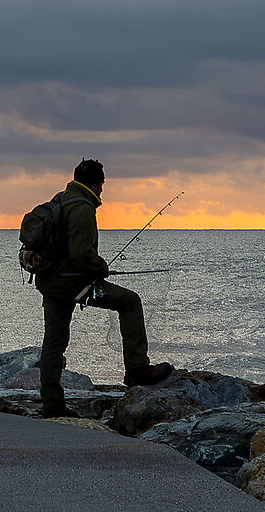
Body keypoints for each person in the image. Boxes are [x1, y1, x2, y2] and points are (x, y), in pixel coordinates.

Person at [33, 159, 173, 418]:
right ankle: (137, 369)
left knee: (54, 342)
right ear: (96, 183)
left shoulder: (60, 199)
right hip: (74, 284)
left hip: (50, 282)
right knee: (130, 301)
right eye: (102, 186)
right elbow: (81, 255)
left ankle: (51, 403)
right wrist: (100, 267)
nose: (102, 192)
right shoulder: (82, 207)